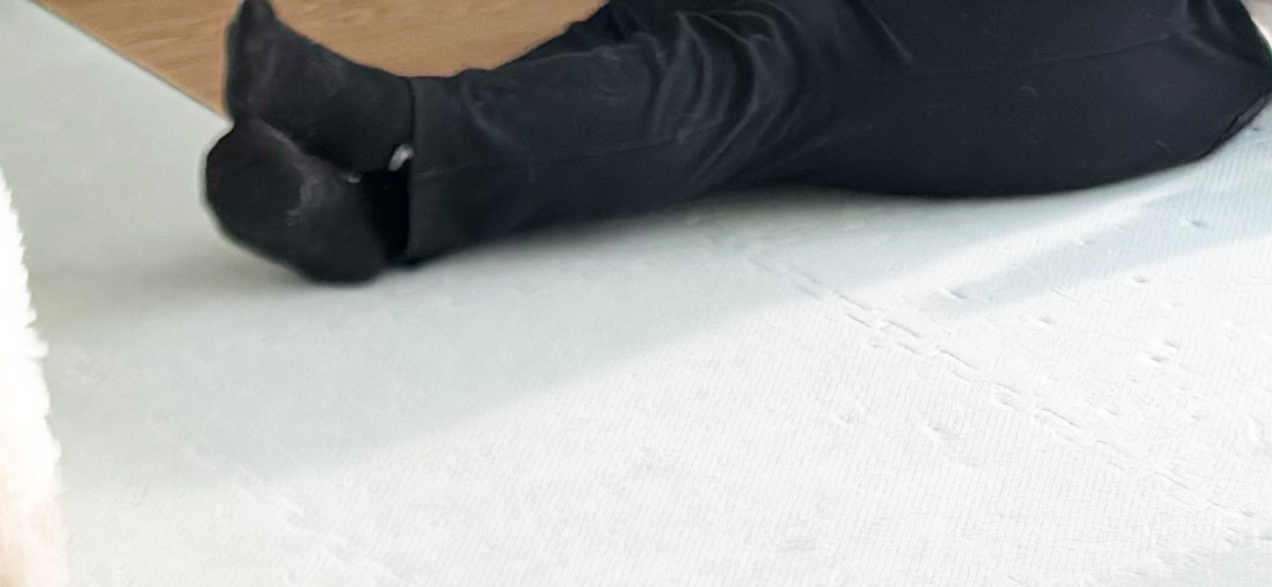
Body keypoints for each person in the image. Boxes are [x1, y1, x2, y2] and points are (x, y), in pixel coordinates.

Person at [208, 0, 1272, 283]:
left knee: (800, 62)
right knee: (680, 11)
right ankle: (390, 198)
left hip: (1191, 39)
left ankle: (396, 146)